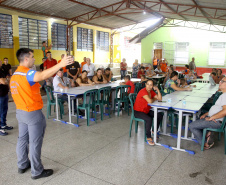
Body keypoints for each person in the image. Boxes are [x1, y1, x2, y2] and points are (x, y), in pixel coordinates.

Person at [10, 48, 73, 179]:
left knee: (22, 139)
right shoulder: (27, 73)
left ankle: (22, 165)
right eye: (32, 57)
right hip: (32, 113)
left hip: (20, 112)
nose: (34, 59)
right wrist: (61, 64)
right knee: (35, 142)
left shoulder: (14, 75)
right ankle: (37, 171)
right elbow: (42, 76)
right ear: (26, 58)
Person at [189, 77, 226, 150]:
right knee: (199, 117)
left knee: (192, 125)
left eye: (222, 81)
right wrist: (206, 114)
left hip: (217, 121)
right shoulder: (223, 95)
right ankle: (208, 133)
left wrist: (212, 117)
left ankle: (205, 144)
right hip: (215, 119)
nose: (220, 82)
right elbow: (218, 108)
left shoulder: (225, 96)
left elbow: (225, 111)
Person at [133, 79, 163, 145]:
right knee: (149, 119)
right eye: (148, 84)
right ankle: (148, 137)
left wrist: (157, 90)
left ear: (153, 86)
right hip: (138, 111)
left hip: (146, 110)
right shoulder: (143, 91)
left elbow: (160, 99)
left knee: (159, 115)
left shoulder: (151, 92)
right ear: (145, 85)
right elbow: (150, 101)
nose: (149, 86)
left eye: (151, 85)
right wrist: (155, 98)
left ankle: (154, 131)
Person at [0, 60, 13, 136]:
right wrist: (5, 80)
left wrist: (5, 80)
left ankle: (4, 124)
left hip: (4, 93)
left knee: (4, 110)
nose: (1, 61)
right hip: (0, 94)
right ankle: (1, 128)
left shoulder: (1, 69)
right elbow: (4, 81)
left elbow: (5, 80)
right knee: (1, 111)